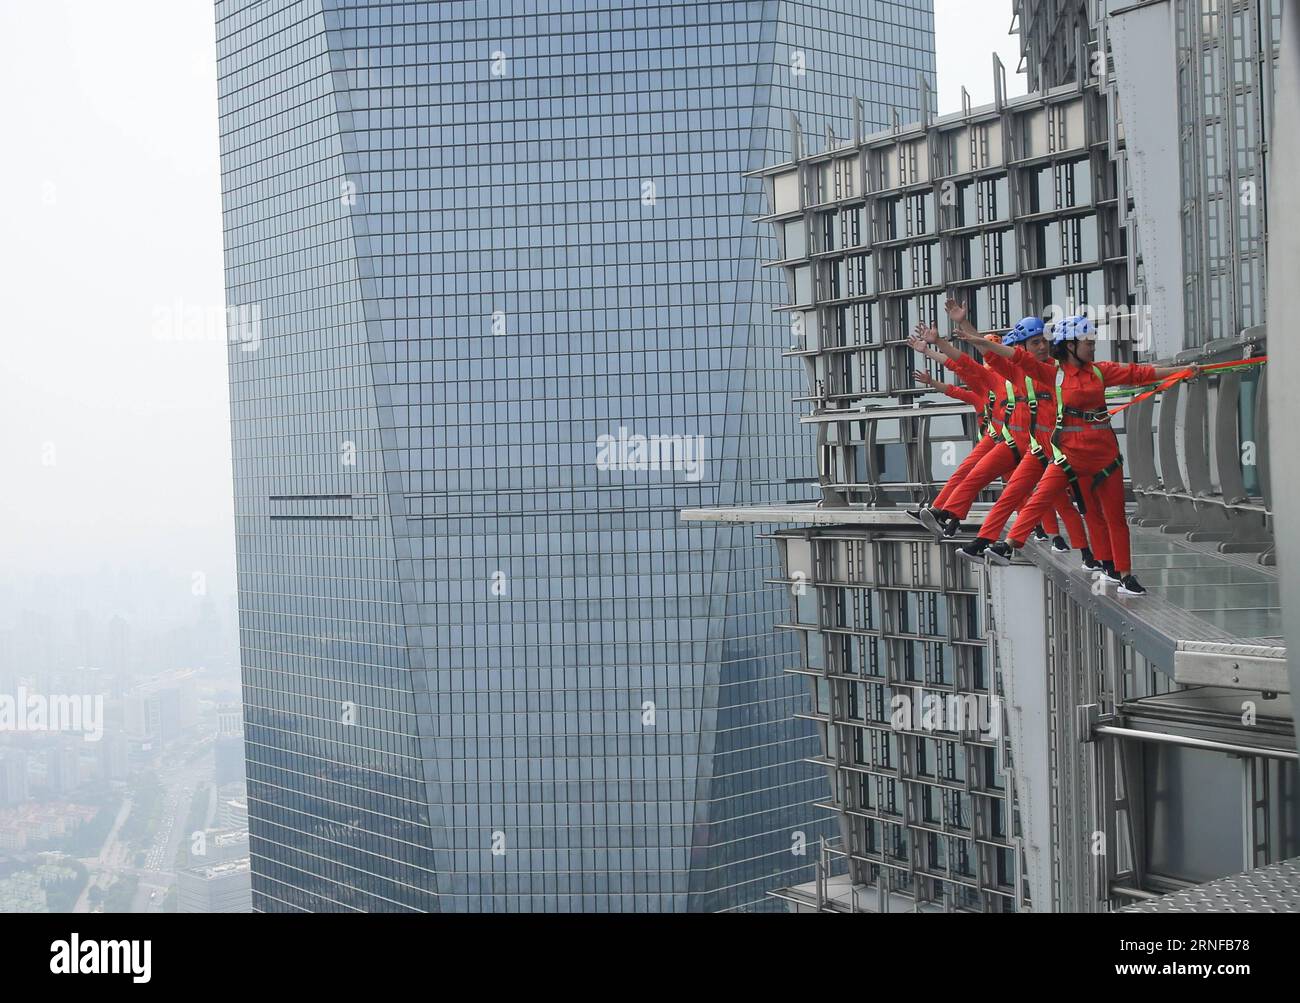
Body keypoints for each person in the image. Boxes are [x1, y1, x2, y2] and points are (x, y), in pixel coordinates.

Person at [974, 314, 1199, 596]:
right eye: (1087, 343)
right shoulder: (1052, 374)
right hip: (1071, 453)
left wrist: (1182, 371)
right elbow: (1017, 358)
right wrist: (979, 341)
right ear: (1070, 346)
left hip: (1105, 455)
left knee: (1114, 517)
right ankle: (1008, 545)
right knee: (1042, 495)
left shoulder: (1100, 372)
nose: (1093, 347)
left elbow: (1140, 373)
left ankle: (1124, 574)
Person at [940, 307, 1094, 567]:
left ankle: (1091, 555)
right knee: (1011, 493)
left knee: (1071, 505)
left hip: (1062, 449)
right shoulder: (1017, 374)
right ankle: (980, 538)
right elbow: (976, 362)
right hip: (1033, 447)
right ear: (1022, 348)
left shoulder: (1059, 370)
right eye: (1036, 342)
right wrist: (961, 327)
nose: (1042, 347)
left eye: (1044, 341)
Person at [906, 326, 1013, 538]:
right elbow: (959, 371)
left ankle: (947, 517)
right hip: (995, 441)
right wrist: (930, 355)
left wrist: (931, 350)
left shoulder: (1010, 379)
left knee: (1013, 488)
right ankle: (942, 514)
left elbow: (960, 370)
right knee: (969, 475)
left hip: (1014, 442)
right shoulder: (986, 384)